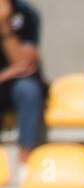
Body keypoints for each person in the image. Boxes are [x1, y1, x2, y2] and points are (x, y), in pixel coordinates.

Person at [0, 0, 44, 162]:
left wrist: (4, 25)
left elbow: (23, 62)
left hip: (16, 85)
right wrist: (5, 74)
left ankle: (25, 160)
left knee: (28, 90)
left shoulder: (25, 14)